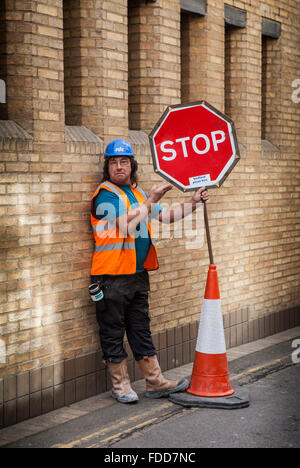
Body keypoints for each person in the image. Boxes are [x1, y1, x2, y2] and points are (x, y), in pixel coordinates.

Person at [90, 139, 209, 404]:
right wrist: (152, 199)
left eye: (123, 162)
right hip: (110, 277)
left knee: (141, 329)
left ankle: (155, 382)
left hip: (136, 275)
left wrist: (193, 202)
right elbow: (125, 225)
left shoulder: (136, 193)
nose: (118, 167)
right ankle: (121, 386)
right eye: (113, 162)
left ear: (132, 165)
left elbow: (166, 215)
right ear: (107, 167)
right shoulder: (105, 194)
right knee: (112, 331)